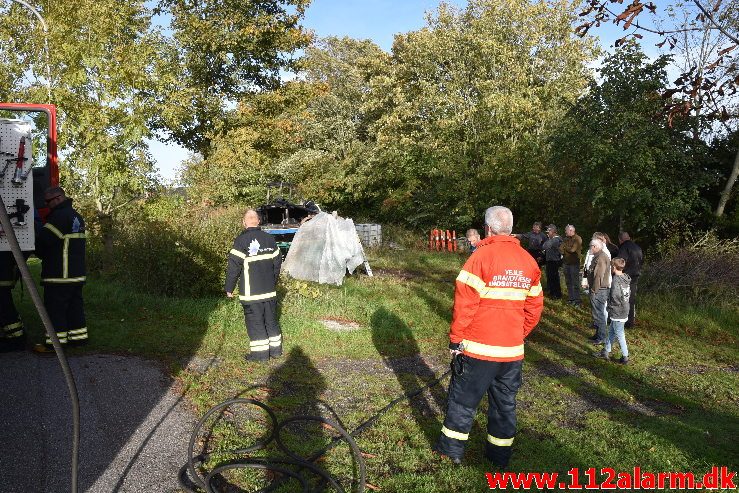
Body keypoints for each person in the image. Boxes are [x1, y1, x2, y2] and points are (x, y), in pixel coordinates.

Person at [435, 206, 543, 467]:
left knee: (463, 402)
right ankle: (499, 456)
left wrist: (456, 339)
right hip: (511, 352)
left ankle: (451, 452)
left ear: (488, 228)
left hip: (479, 349)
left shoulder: (480, 258)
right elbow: (535, 307)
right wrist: (518, 334)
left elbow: (464, 304)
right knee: (504, 406)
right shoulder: (528, 261)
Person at [33, 186, 88, 352]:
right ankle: (78, 340)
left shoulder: (57, 217)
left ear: (57, 198)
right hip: (76, 275)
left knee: (55, 310)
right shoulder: (76, 216)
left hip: (59, 275)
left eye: (48, 202)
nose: (46, 205)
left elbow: (43, 243)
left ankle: (54, 345)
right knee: (74, 307)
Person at [225, 209, 283, 362]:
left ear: (244, 223)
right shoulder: (270, 240)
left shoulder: (241, 241)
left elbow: (233, 267)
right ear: (258, 222)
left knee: (255, 322)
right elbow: (277, 264)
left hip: (252, 294)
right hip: (269, 292)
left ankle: (260, 355)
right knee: (271, 321)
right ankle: (276, 351)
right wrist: (272, 281)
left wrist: (229, 288)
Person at [595, 257, 631, 364]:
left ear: (614, 267)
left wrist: (609, 306)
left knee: (620, 334)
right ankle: (606, 350)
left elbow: (615, 297)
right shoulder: (625, 277)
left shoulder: (616, 280)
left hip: (617, 311)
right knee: (611, 331)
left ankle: (625, 356)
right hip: (624, 309)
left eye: (611, 266)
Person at [585, 239, 610, 345]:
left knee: (599, 314)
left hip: (599, 290)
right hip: (598, 289)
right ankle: (598, 334)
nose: (590, 248)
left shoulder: (601, 258)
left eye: (591, 246)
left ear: (595, 247)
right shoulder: (599, 256)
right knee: (597, 313)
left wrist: (594, 290)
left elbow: (599, 276)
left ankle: (602, 337)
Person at [617, 232, 643, 328]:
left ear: (620, 240)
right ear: (629, 237)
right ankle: (631, 322)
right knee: (631, 299)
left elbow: (620, 262)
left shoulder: (623, 247)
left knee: (622, 298)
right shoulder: (637, 247)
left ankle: (621, 320)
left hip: (626, 276)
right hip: (636, 275)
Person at [0, 251, 25, 350]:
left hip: (3, 274)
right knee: (4, 307)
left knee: (5, 308)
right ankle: (12, 337)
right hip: (5, 272)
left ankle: (17, 340)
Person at [560, 224, 583, 306]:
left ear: (570, 230)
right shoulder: (566, 238)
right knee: (568, 282)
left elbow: (573, 250)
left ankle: (577, 300)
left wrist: (565, 248)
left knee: (575, 283)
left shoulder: (577, 238)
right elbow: (560, 249)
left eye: (566, 230)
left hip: (574, 264)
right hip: (566, 263)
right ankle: (571, 299)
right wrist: (566, 249)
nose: (565, 232)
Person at [542, 224, 563, 299]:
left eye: (549, 231)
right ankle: (552, 292)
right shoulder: (551, 239)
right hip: (550, 260)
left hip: (554, 261)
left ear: (553, 231)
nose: (547, 233)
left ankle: (557, 294)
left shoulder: (556, 239)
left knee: (554, 278)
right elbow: (545, 246)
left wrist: (548, 240)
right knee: (550, 277)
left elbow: (544, 246)